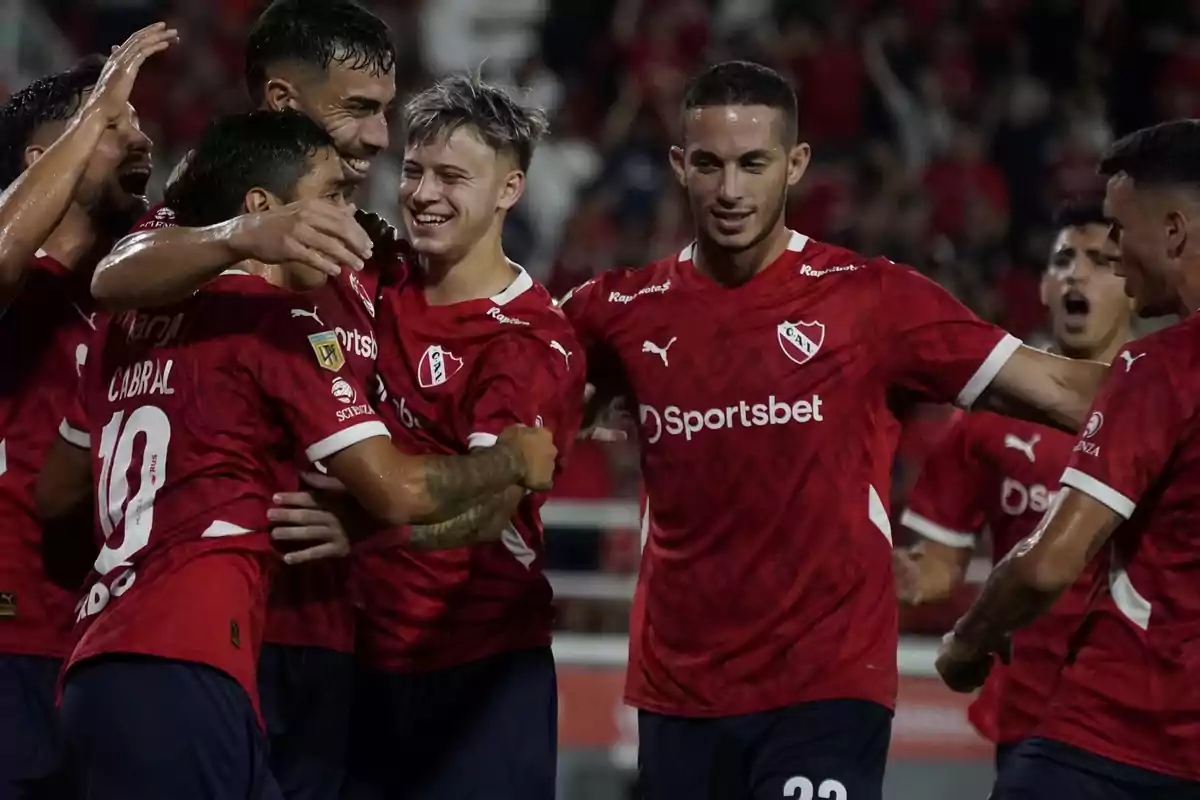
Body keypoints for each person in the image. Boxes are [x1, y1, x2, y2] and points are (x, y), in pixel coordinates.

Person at [559, 60, 1110, 800]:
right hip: (677, 691)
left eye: (753, 164)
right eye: (709, 165)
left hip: (826, 684)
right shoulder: (618, 311)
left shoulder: (873, 300)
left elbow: (1060, 389)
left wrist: (1181, 380)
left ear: (796, 164)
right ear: (678, 165)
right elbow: (499, 387)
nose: (729, 191)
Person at [34, 108, 557, 800]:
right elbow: (398, 489)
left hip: (96, 665)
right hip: (190, 659)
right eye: (333, 197)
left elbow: (56, 492)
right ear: (264, 212)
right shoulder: (275, 321)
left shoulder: (127, 322)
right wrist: (513, 461)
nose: (354, 218)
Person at [88, 3, 396, 796]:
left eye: (385, 111)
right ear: (285, 100)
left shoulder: (368, 247)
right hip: (207, 621)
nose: (378, 138)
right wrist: (236, 236)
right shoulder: (213, 206)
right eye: (359, 109)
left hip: (323, 623)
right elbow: (117, 274)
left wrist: (368, 509)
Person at [936, 119, 1200, 798]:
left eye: (1118, 228)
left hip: (1124, 737)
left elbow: (1049, 563)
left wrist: (969, 641)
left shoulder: (1159, 369)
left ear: (1173, 232)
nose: (1111, 251)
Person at [344, 74, 585, 800]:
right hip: (355, 658)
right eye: (414, 171)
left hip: (478, 667)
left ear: (510, 189)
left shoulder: (528, 343)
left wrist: (351, 524)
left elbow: (481, 516)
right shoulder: (370, 282)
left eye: (453, 176)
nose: (423, 194)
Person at [894, 198, 1134, 773]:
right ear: (1045, 289)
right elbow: (938, 568)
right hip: (1033, 716)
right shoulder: (988, 420)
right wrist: (885, 574)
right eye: (1062, 261)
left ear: (1135, 285)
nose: (1076, 272)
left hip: (1142, 715)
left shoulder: (1168, 402)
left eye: (1101, 261)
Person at [0, 24, 171, 798]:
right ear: (50, 157)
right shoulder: (17, 286)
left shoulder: (143, 297)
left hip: (112, 647)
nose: (140, 142)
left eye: (137, 124)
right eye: (114, 127)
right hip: (11, 640)